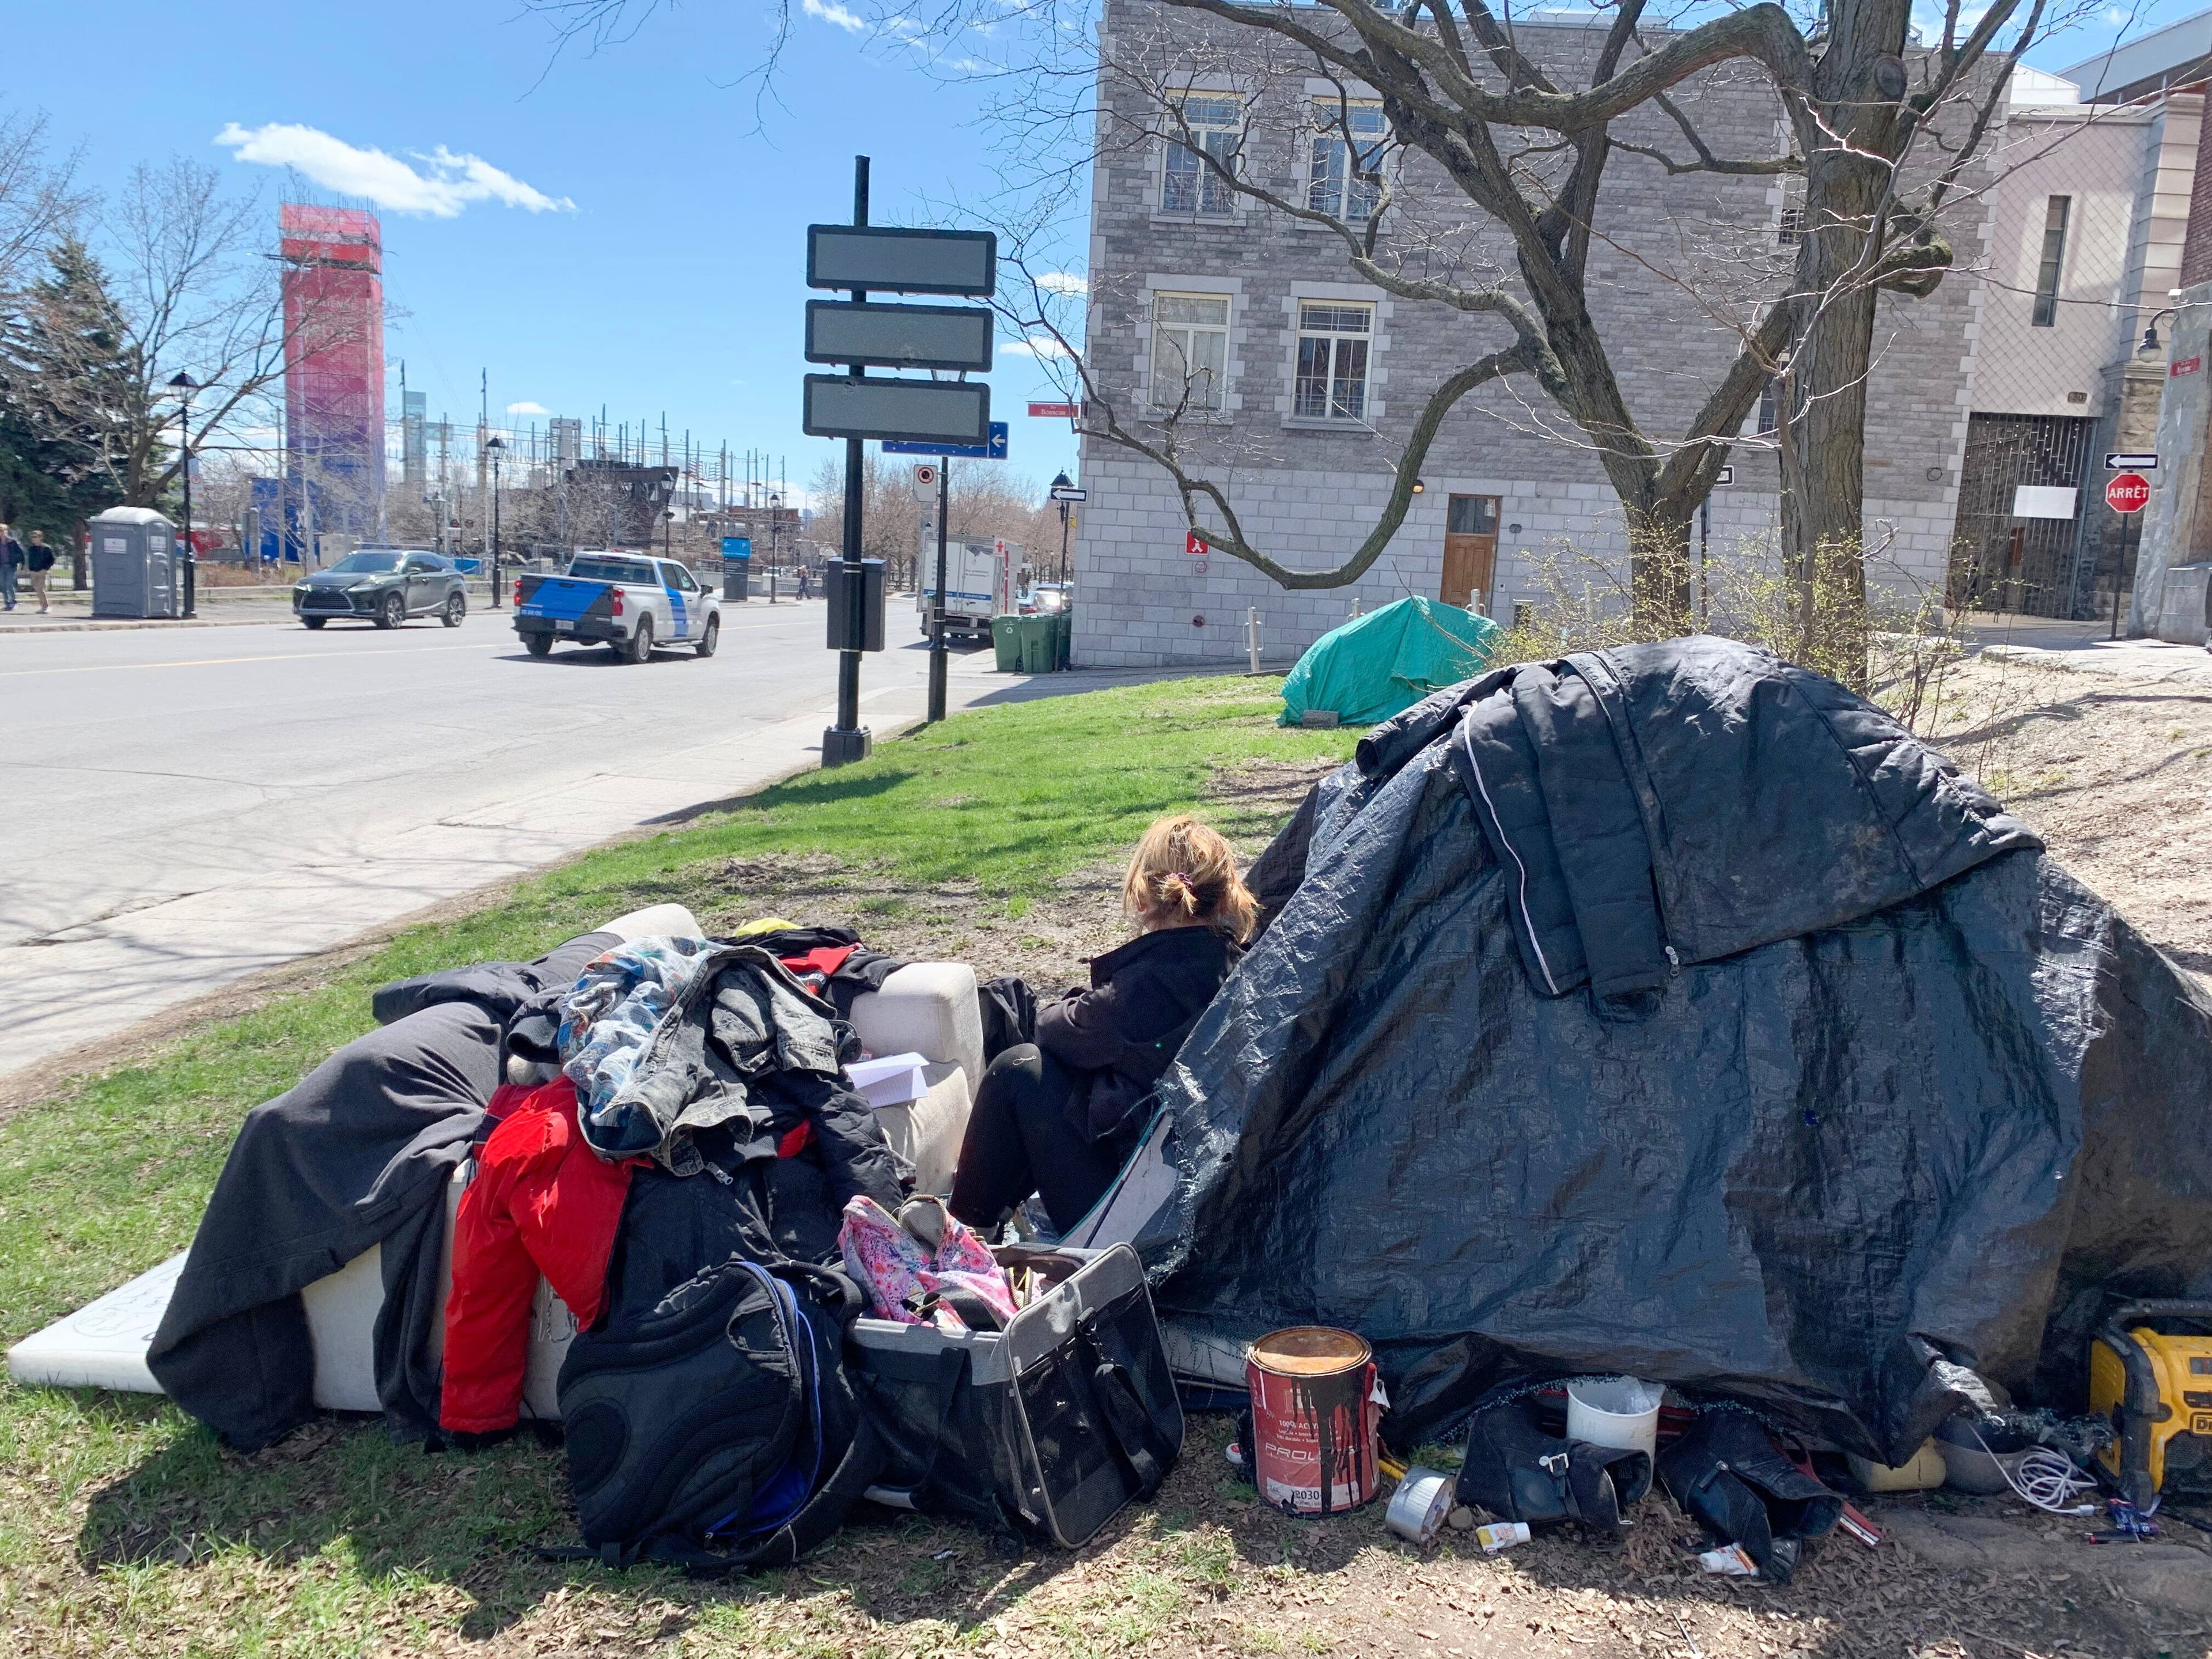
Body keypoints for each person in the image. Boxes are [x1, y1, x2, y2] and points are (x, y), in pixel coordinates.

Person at [948, 814, 1257, 1236]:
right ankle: (991, 1215)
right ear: (1225, 897)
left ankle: (961, 1231)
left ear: (1145, 898)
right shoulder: (1240, 968)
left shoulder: (1139, 990)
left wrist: (1084, 999)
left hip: (1136, 1220)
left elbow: (1050, 1029)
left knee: (1018, 1070)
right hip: (1207, 1201)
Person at [25, 529, 55, 613]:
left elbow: (51, 560)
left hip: (43, 571)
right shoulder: (31, 549)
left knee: (40, 589)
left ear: (40, 537)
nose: (33, 539)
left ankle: (47, 606)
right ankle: (43, 606)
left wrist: (45, 569)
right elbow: (30, 560)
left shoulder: (46, 548)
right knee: (37, 590)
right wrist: (30, 569)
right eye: (32, 537)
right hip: (34, 572)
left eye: (35, 537)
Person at [0, 522, 22, 611]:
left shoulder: (13, 542)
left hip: (11, 566)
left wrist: (21, 564)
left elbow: (20, 553)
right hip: (1, 566)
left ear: (6, 531)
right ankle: (7, 603)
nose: (1, 532)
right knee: (2, 585)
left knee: (9, 584)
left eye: (2, 530)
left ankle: (13, 602)